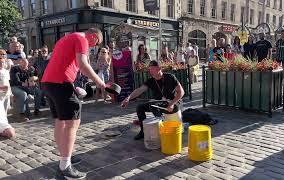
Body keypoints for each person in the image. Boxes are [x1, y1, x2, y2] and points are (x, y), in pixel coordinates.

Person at [41, 28, 106, 179]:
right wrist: (100, 82)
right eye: (96, 42)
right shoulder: (82, 39)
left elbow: (69, 64)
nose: (93, 46)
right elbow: (83, 65)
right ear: (92, 36)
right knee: (72, 123)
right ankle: (65, 166)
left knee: (60, 121)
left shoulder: (67, 38)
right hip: (60, 82)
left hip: (49, 83)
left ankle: (65, 156)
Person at [121, 60, 185, 140]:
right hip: (159, 104)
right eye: (149, 69)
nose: (150, 71)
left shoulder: (170, 77)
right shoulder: (151, 81)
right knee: (140, 107)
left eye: (152, 69)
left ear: (159, 68)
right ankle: (143, 131)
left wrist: (172, 103)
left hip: (173, 102)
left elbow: (181, 92)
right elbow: (140, 90)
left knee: (153, 106)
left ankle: (161, 127)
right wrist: (128, 98)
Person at [0, 56, 15, 138]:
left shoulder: (5, 71)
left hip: (6, 94)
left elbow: (8, 83)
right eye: (0, 63)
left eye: (2, 63)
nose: (1, 64)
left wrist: (11, 92)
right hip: (0, 94)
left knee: (5, 110)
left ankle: (4, 124)